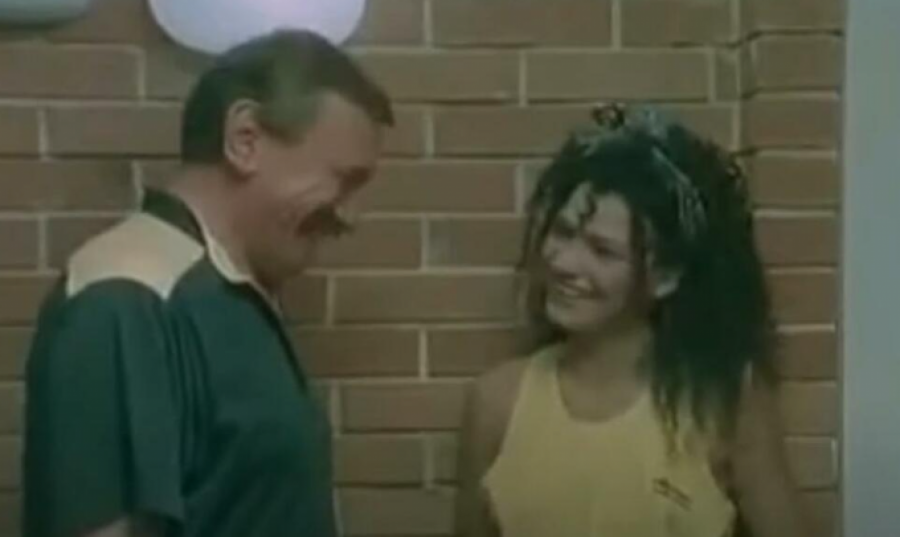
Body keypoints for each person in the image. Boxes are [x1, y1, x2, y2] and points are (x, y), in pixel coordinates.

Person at [23, 29, 392, 537]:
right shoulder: (126, 298)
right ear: (245, 140)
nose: (350, 216)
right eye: (343, 180)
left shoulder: (227, 290)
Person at [454, 104, 810, 537]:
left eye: (602, 250)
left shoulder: (723, 401)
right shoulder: (497, 403)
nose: (564, 262)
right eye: (562, 233)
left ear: (665, 276)